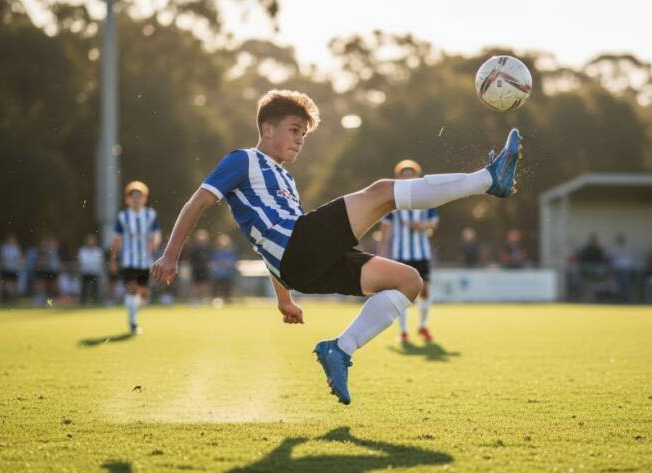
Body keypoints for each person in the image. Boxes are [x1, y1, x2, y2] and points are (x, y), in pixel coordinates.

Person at [151, 89, 523, 405]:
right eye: (294, 130)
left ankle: (340, 350)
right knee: (381, 192)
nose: (299, 139)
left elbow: (271, 246)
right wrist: (171, 253)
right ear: (266, 128)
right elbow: (196, 202)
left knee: (409, 282)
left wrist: (283, 298)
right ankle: (487, 180)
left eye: (304, 134)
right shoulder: (242, 160)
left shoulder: (285, 179)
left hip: (300, 264)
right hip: (299, 249)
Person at [378, 159, 439, 343]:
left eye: (411, 174)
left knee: (425, 290)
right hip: (400, 254)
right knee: (401, 294)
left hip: (421, 253)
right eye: (404, 175)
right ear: (399, 177)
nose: (407, 178)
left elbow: (433, 224)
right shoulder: (392, 201)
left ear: (417, 176)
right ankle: (403, 331)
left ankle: (423, 326)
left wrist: (420, 226)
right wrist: (381, 253)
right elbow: (385, 229)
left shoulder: (426, 199)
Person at [110, 181, 162, 334]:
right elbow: (117, 240)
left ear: (144, 198)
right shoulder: (123, 216)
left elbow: (156, 235)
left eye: (139, 196)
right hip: (129, 260)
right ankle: (133, 322)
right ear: (128, 199)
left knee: (144, 295)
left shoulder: (150, 215)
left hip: (145, 261)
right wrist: (113, 259)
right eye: (133, 196)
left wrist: (154, 244)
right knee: (131, 290)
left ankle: (133, 311)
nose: (136, 199)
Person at [187, 228, 213, 303]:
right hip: (196, 269)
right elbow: (191, 260)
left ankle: (205, 300)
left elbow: (210, 258)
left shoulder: (208, 248)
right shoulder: (193, 248)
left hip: (205, 269)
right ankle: (195, 300)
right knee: (196, 285)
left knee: (206, 285)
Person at [210, 233, 238, 303]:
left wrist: (224, 263)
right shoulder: (216, 252)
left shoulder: (230, 252)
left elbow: (231, 263)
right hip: (218, 275)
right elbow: (215, 263)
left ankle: (227, 302)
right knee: (218, 291)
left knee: (227, 292)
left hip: (228, 275)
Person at [78, 234, 104, 305]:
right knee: (84, 288)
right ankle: (83, 302)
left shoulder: (98, 251)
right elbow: (82, 261)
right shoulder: (82, 250)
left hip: (95, 272)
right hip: (85, 272)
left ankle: (95, 301)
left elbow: (99, 262)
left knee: (95, 288)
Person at [0, 233, 23, 303]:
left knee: (15, 286)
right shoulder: (4, 247)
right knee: (3, 285)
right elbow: (3, 258)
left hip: (14, 269)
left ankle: (14, 300)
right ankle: (1, 299)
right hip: (5, 269)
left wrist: (19, 261)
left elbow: (20, 258)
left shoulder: (17, 248)